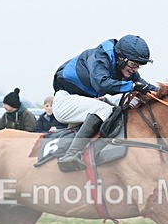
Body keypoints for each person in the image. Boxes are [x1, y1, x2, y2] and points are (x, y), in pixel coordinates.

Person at [52, 34, 157, 172]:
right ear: (121, 58)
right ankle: (70, 155)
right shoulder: (100, 57)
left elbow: (144, 86)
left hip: (86, 101)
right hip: (65, 100)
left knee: (133, 100)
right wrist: (133, 86)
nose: (135, 70)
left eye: (138, 66)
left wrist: (163, 93)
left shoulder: (122, 66)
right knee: (104, 110)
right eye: (133, 64)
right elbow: (101, 84)